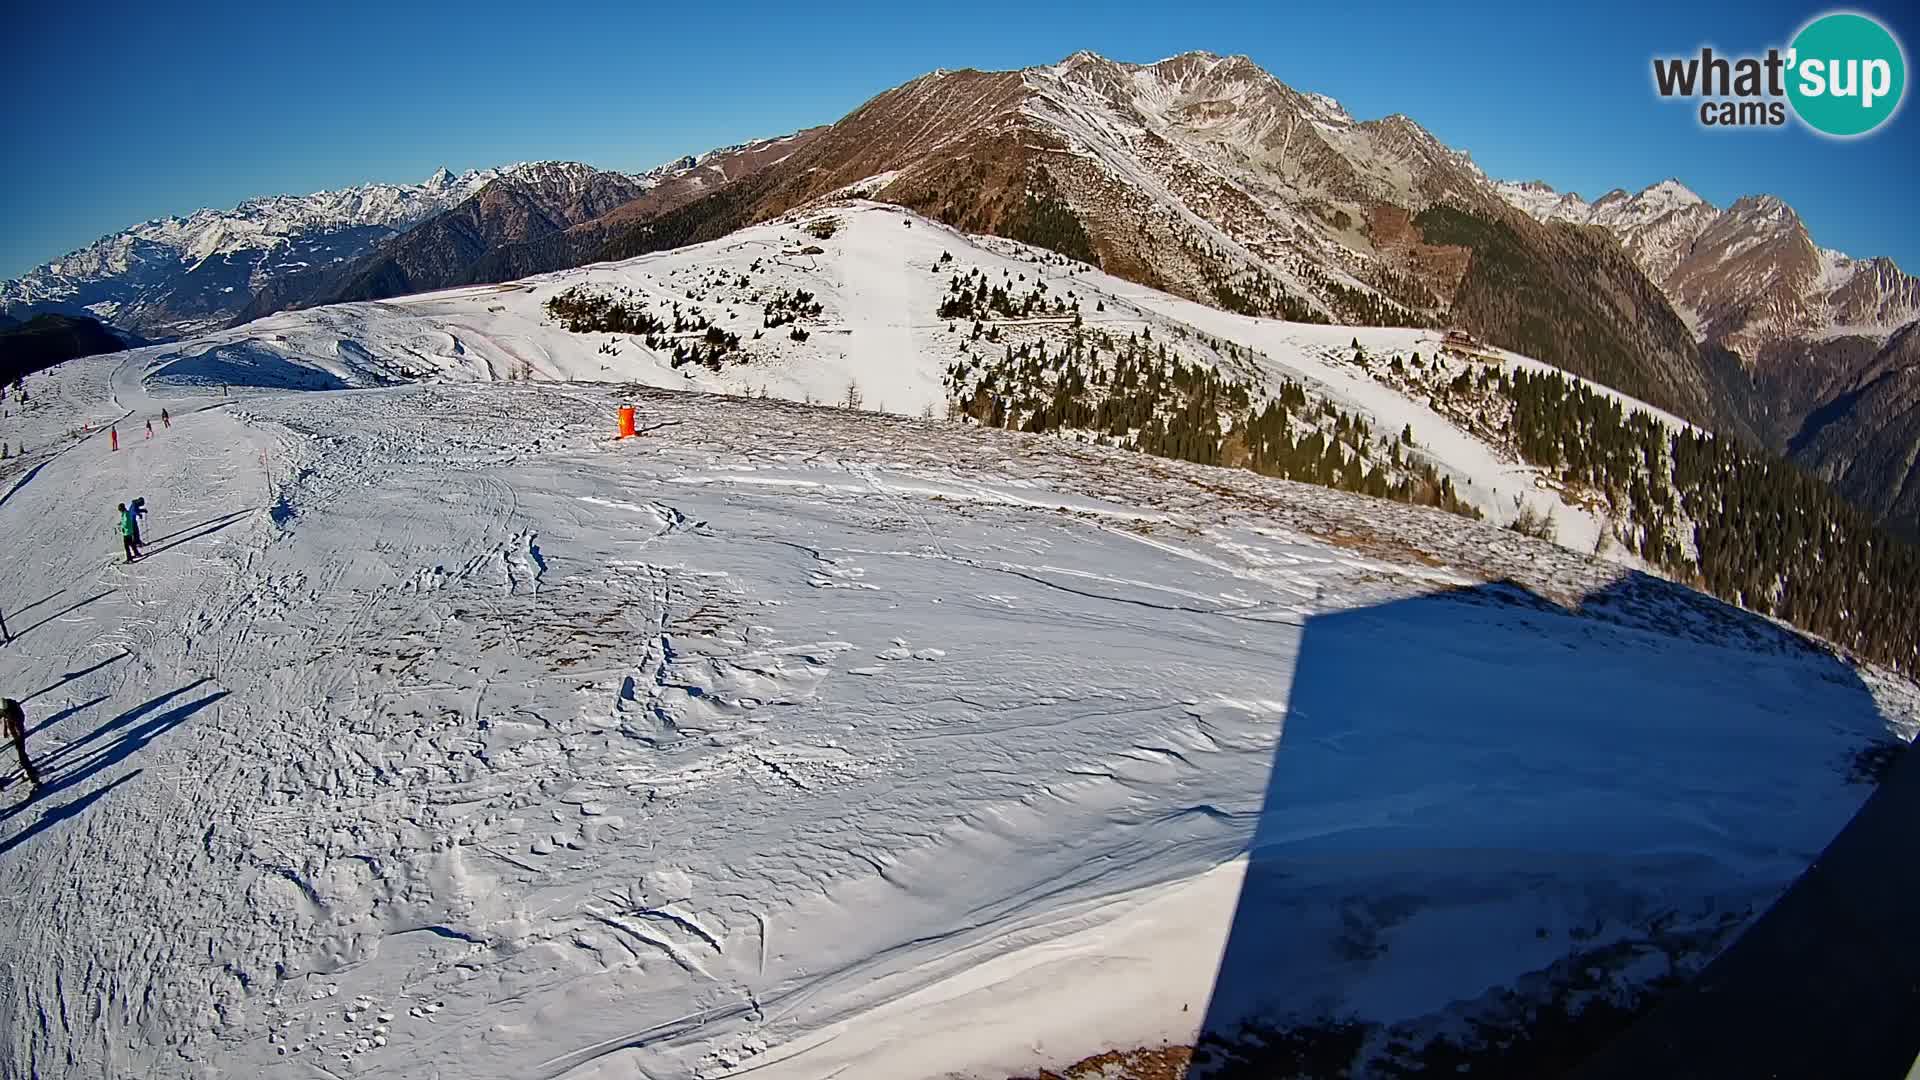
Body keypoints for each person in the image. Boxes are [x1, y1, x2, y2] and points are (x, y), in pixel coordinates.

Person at [1, 698, 42, 794]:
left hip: (18, 723)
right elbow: (4, 717)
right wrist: (5, 730)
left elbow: (19, 726)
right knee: (17, 744)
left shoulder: (15, 712)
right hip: (11, 721)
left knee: (21, 752)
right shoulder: (3, 709)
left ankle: (34, 778)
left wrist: (19, 738)